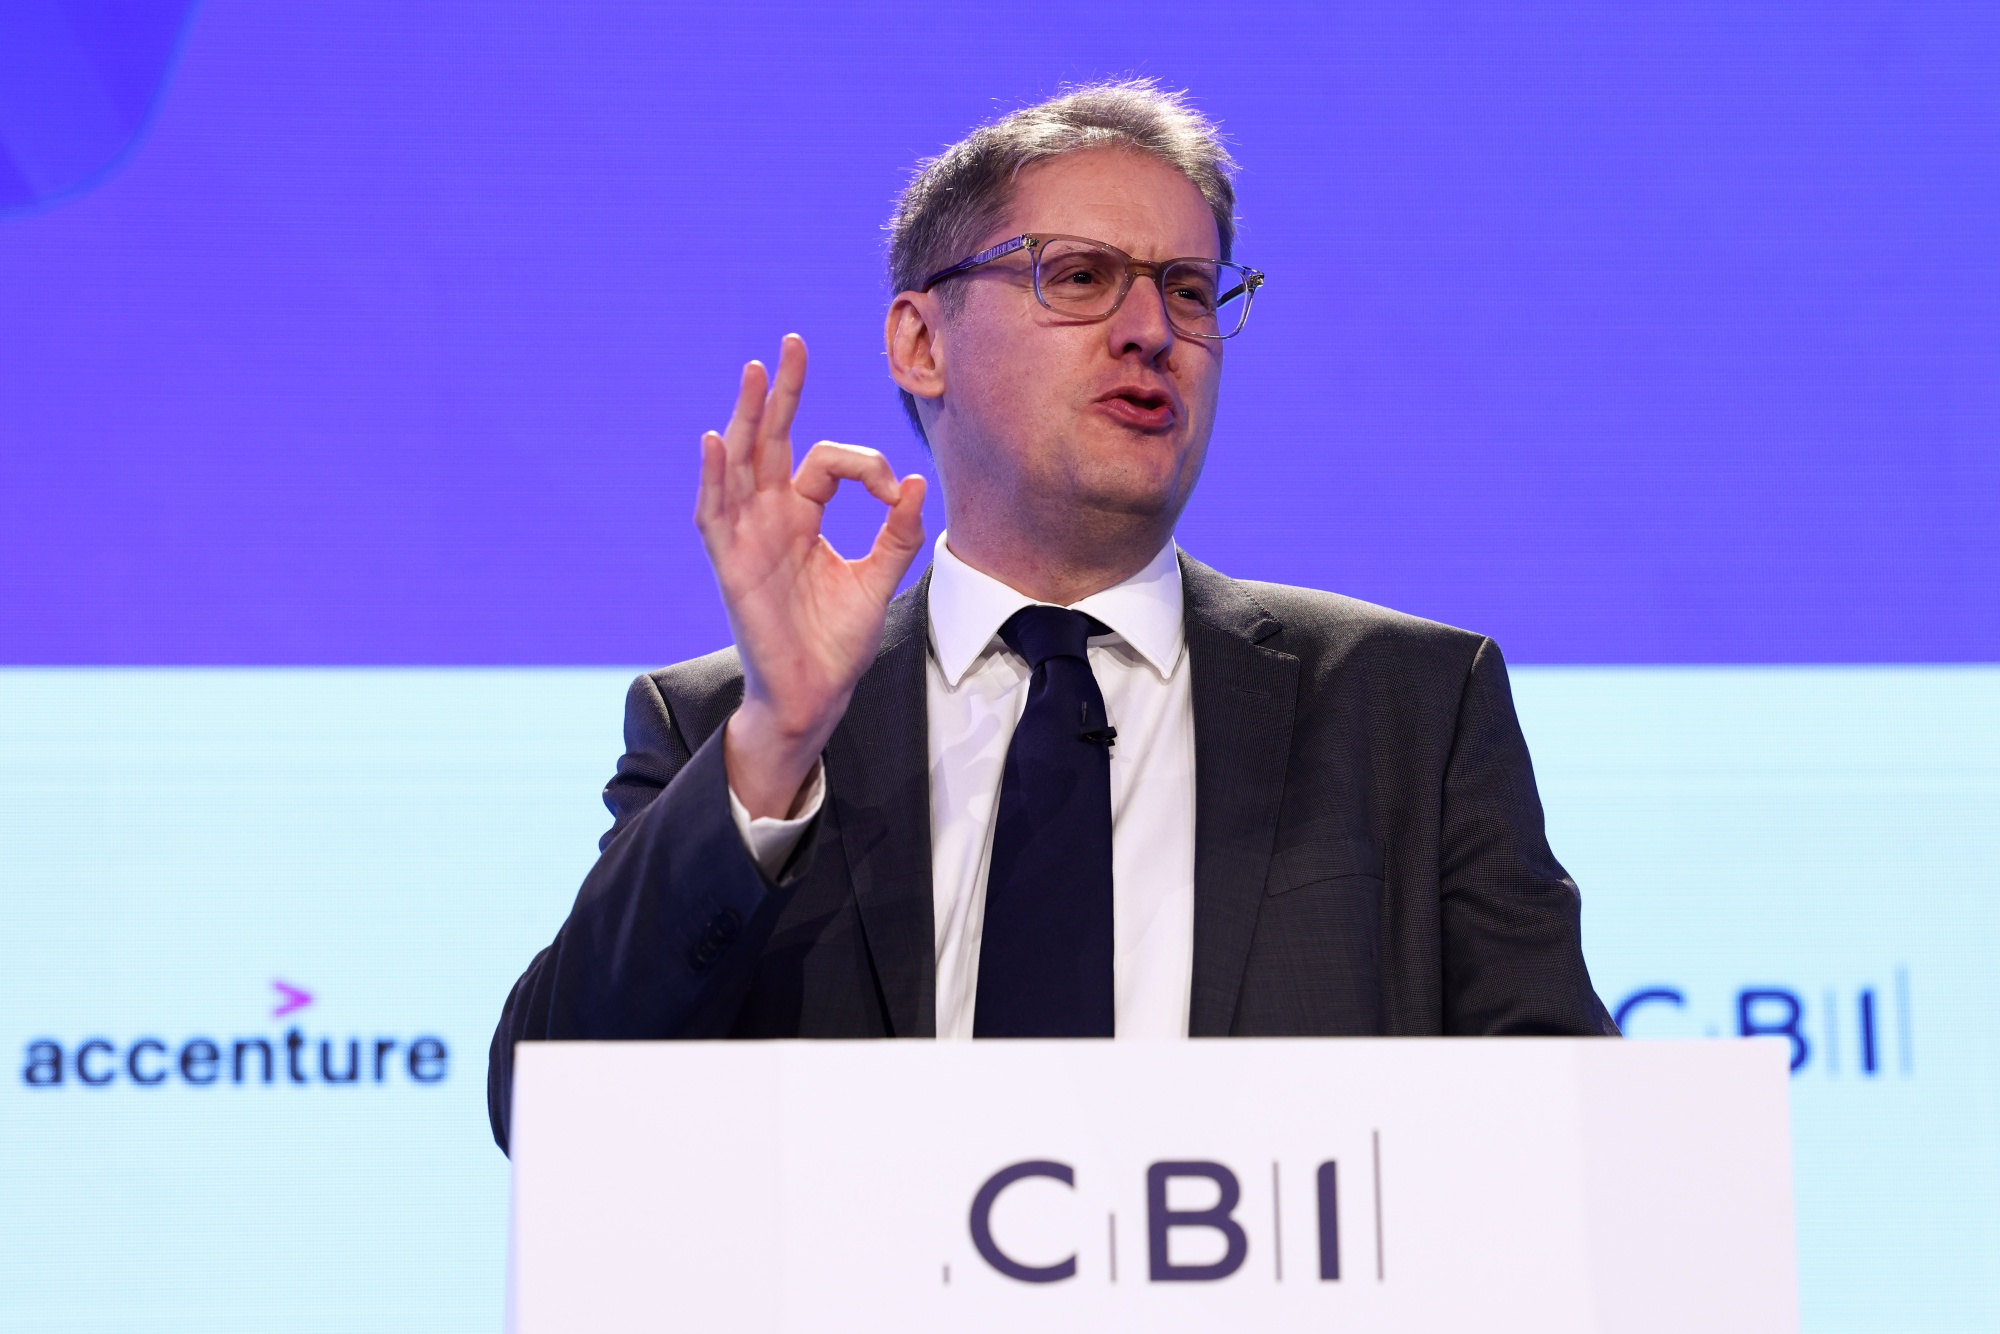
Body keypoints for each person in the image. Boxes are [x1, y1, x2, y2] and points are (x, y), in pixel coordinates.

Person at [487, 80, 1615, 1153]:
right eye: (1078, 275)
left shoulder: (1407, 707)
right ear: (921, 343)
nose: (1151, 330)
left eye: (1189, 290)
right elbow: (550, 1112)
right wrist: (778, 739)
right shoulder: (723, 729)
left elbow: (1572, 1136)